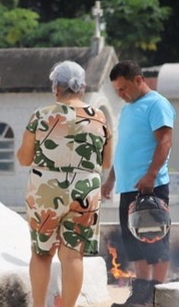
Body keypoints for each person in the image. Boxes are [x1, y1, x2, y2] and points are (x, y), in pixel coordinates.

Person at [17, 60, 112, 307]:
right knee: (73, 256)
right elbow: (106, 162)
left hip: (45, 190)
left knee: (41, 254)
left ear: (56, 88)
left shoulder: (41, 116)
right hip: (85, 190)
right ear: (82, 88)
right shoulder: (100, 118)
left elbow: (24, 158)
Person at [102, 60, 175, 307]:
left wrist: (151, 175)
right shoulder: (128, 109)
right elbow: (125, 148)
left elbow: (165, 141)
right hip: (127, 187)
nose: (121, 95)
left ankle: (157, 293)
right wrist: (111, 180)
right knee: (133, 243)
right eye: (117, 91)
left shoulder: (157, 104)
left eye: (123, 89)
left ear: (138, 80)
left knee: (155, 240)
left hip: (150, 186)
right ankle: (141, 294)